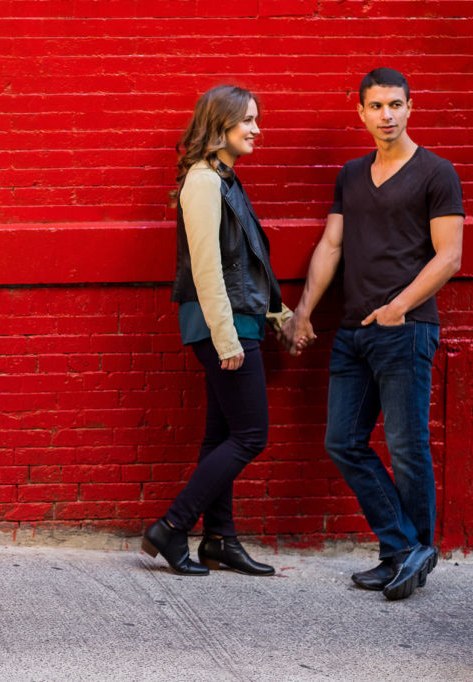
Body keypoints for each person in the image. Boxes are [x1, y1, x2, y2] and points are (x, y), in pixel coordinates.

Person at [281, 68, 463, 601]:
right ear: (360, 111)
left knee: (407, 447)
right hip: (351, 332)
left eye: (395, 105)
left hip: (405, 329)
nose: (387, 115)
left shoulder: (436, 172)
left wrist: (398, 307)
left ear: (411, 107)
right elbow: (331, 246)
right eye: (376, 106)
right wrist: (304, 311)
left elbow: (449, 255)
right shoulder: (352, 174)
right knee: (342, 442)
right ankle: (404, 549)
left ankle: (408, 554)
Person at [142, 85, 292, 577]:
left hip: (238, 322)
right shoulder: (204, 182)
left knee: (222, 433)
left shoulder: (226, 178)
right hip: (221, 327)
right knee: (251, 435)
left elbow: (249, 260)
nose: (256, 129)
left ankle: (220, 540)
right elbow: (207, 267)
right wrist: (227, 339)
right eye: (246, 120)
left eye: (256, 119)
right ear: (220, 124)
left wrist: (278, 313)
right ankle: (171, 526)